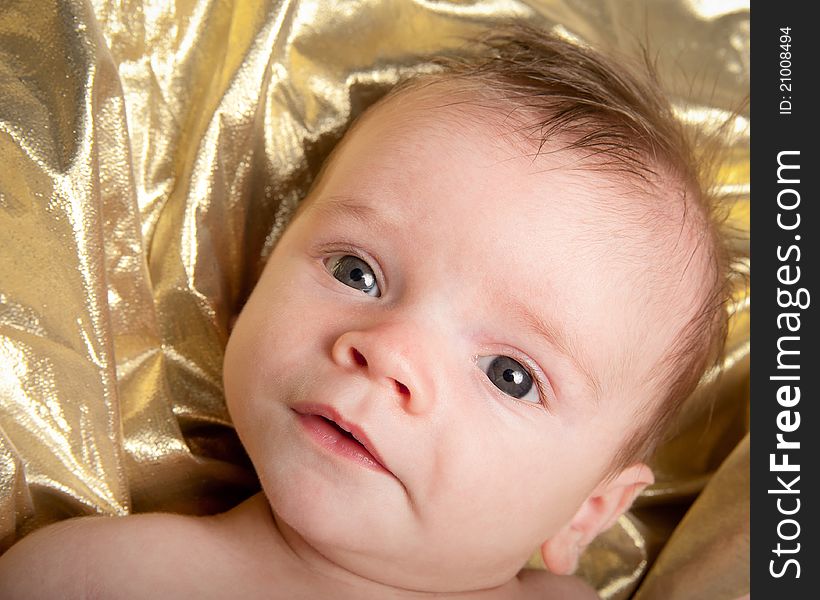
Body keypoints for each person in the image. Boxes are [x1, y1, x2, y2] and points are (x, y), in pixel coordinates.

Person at [0, 24, 731, 599]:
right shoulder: (95, 578)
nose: (388, 351)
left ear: (589, 512)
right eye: (357, 271)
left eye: (510, 374)